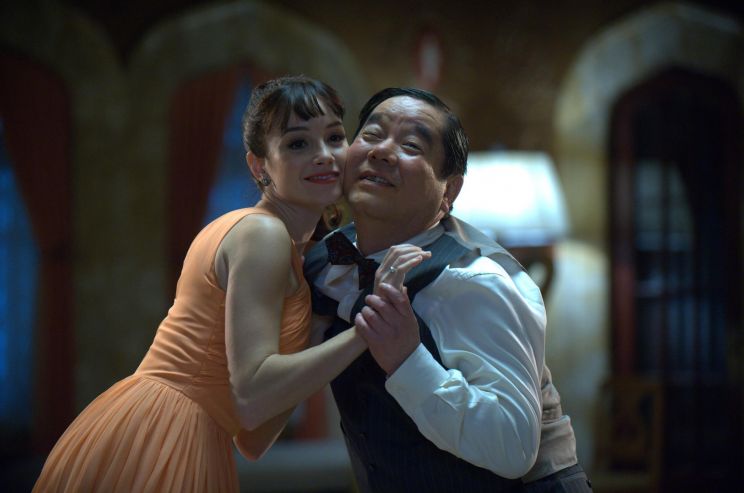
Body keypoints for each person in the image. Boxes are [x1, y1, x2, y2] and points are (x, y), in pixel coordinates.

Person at [33, 76, 427, 493]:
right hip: (162, 431)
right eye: (298, 143)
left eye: (333, 137)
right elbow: (253, 397)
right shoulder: (262, 234)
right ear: (259, 166)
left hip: (191, 435)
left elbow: (253, 438)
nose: (324, 156)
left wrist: (319, 326)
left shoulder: (285, 247)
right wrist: (370, 324)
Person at [304, 87, 593, 493]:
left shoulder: (474, 281)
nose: (383, 151)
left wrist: (408, 359)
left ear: (449, 193)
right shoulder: (326, 264)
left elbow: (514, 448)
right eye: (371, 134)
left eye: (411, 145)